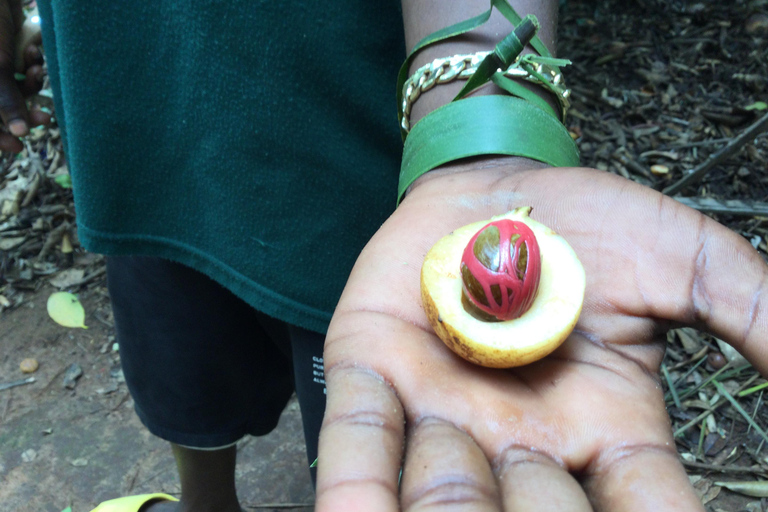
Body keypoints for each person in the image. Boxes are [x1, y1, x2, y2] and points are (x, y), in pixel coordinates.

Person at [2, 1, 766, 511]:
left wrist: (482, 135)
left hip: (345, 192)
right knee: (182, 382)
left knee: (357, 432)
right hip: (135, 139)